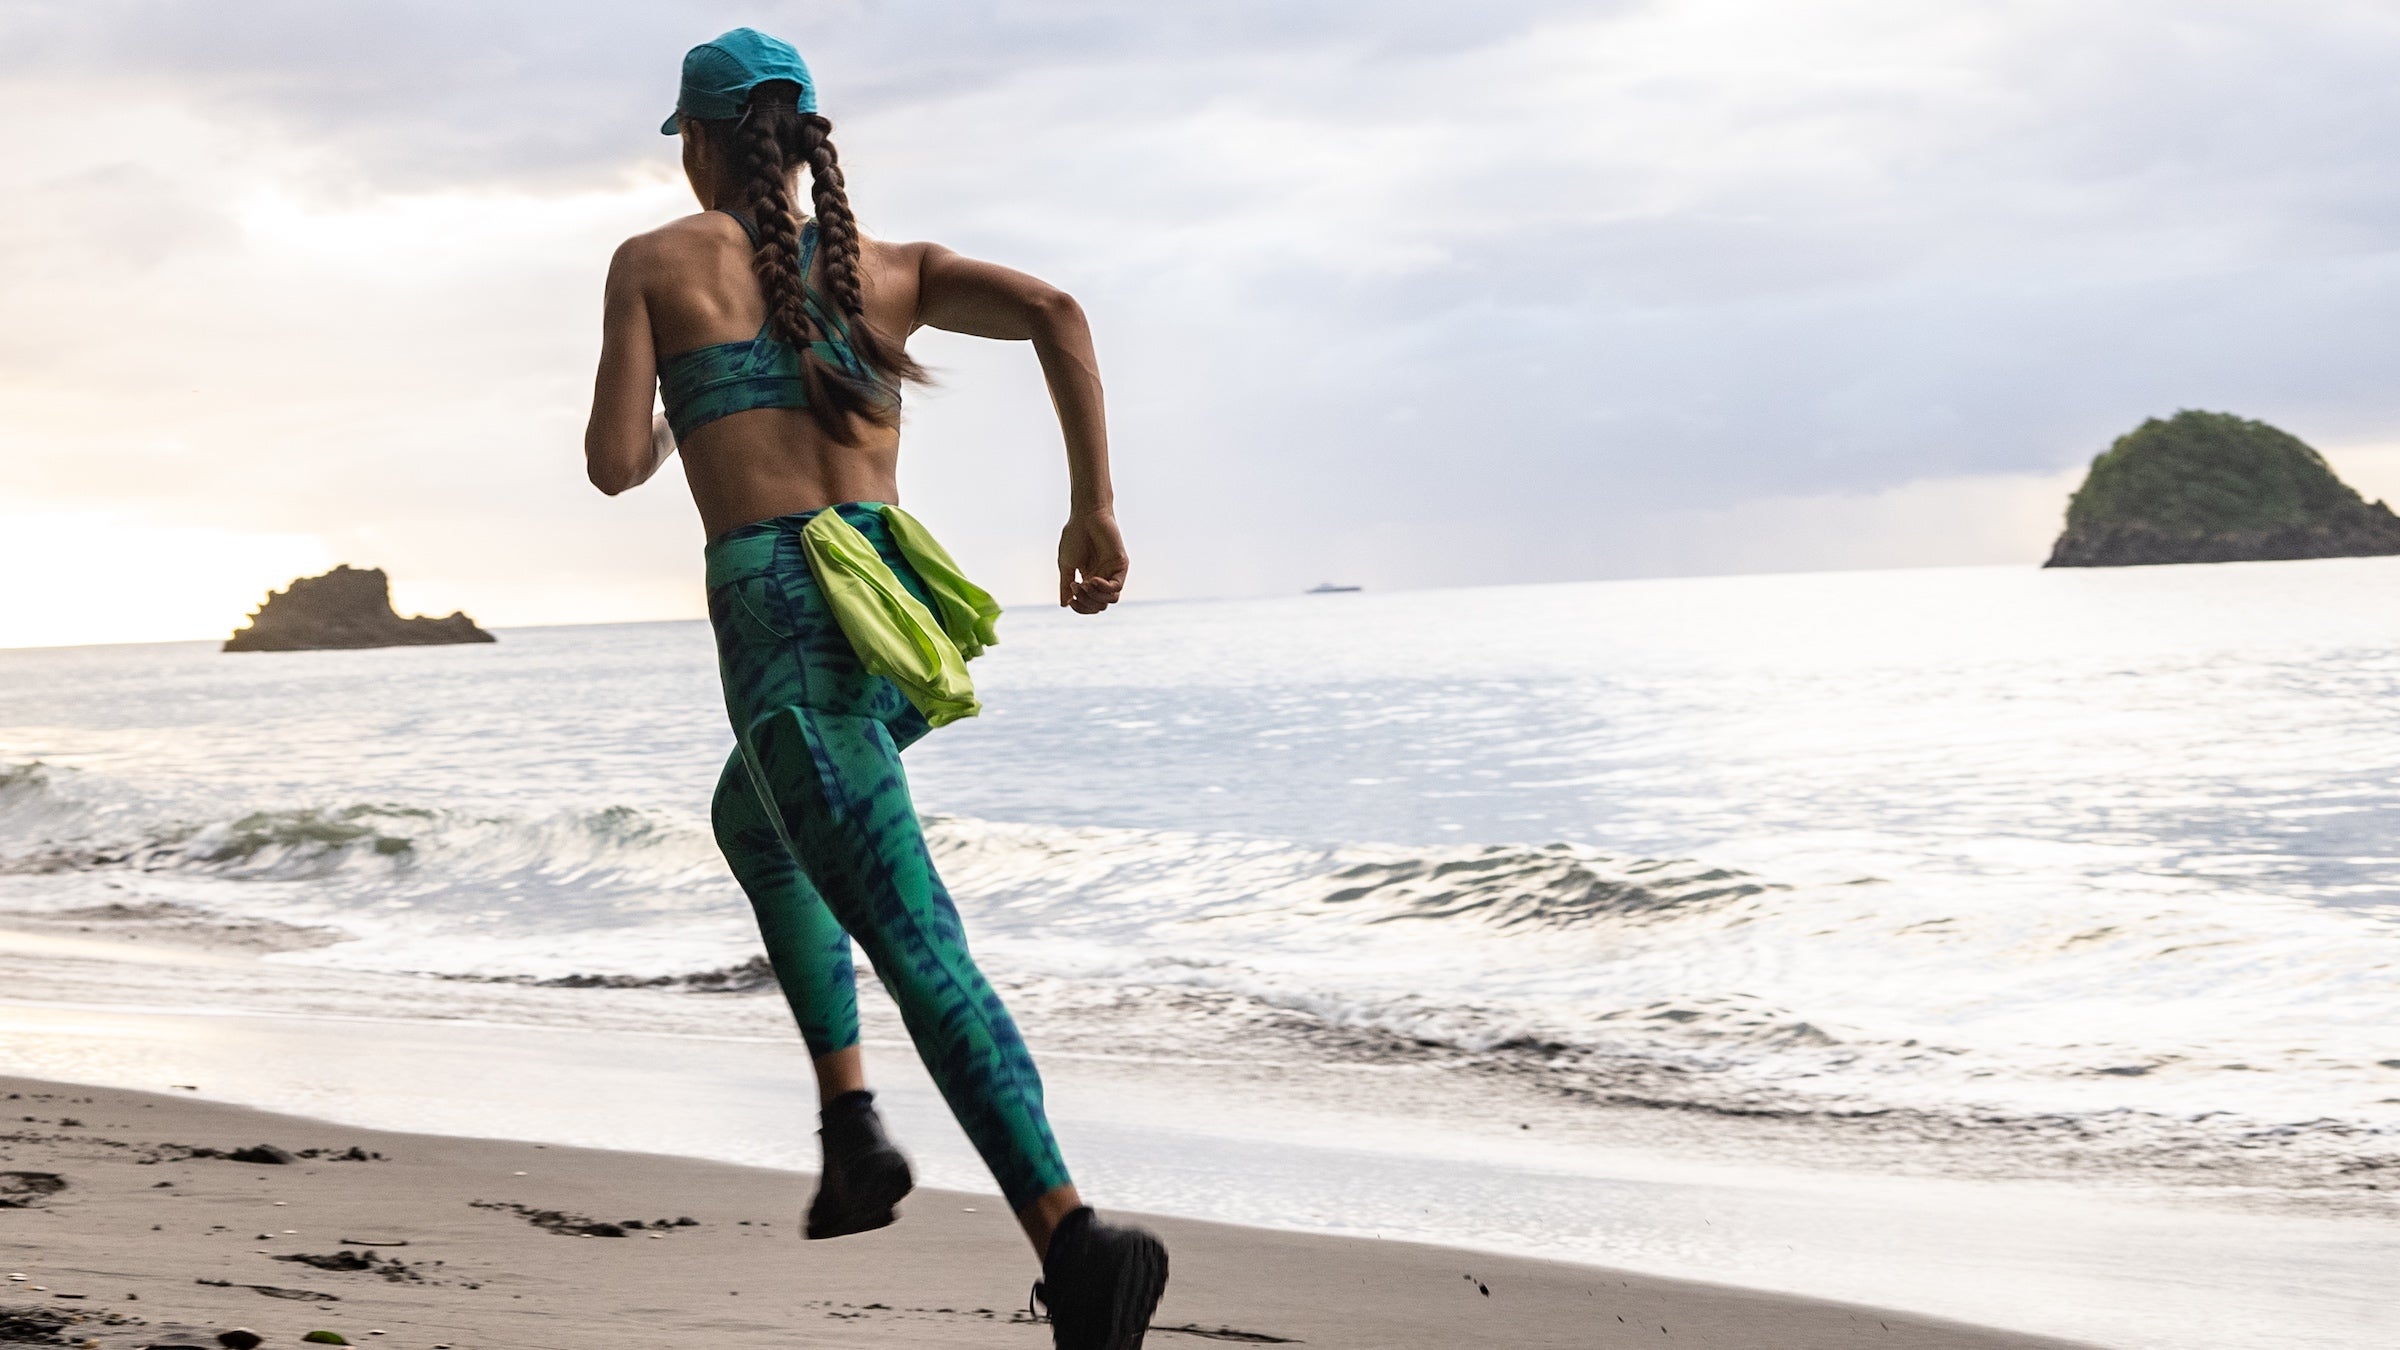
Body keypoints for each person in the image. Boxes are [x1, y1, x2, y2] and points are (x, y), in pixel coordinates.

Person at [581, 28, 1165, 1350]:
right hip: (889, 609)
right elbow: (1059, 314)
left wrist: (683, 405)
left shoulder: (654, 266)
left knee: (912, 935)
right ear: (806, 144)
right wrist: (1094, 509)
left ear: (705, 142)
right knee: (752, 819)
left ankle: (1073, 1236)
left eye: (688, 143)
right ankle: (851, 1128)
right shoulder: (888, 270)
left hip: (785, 620)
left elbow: (615, 465)